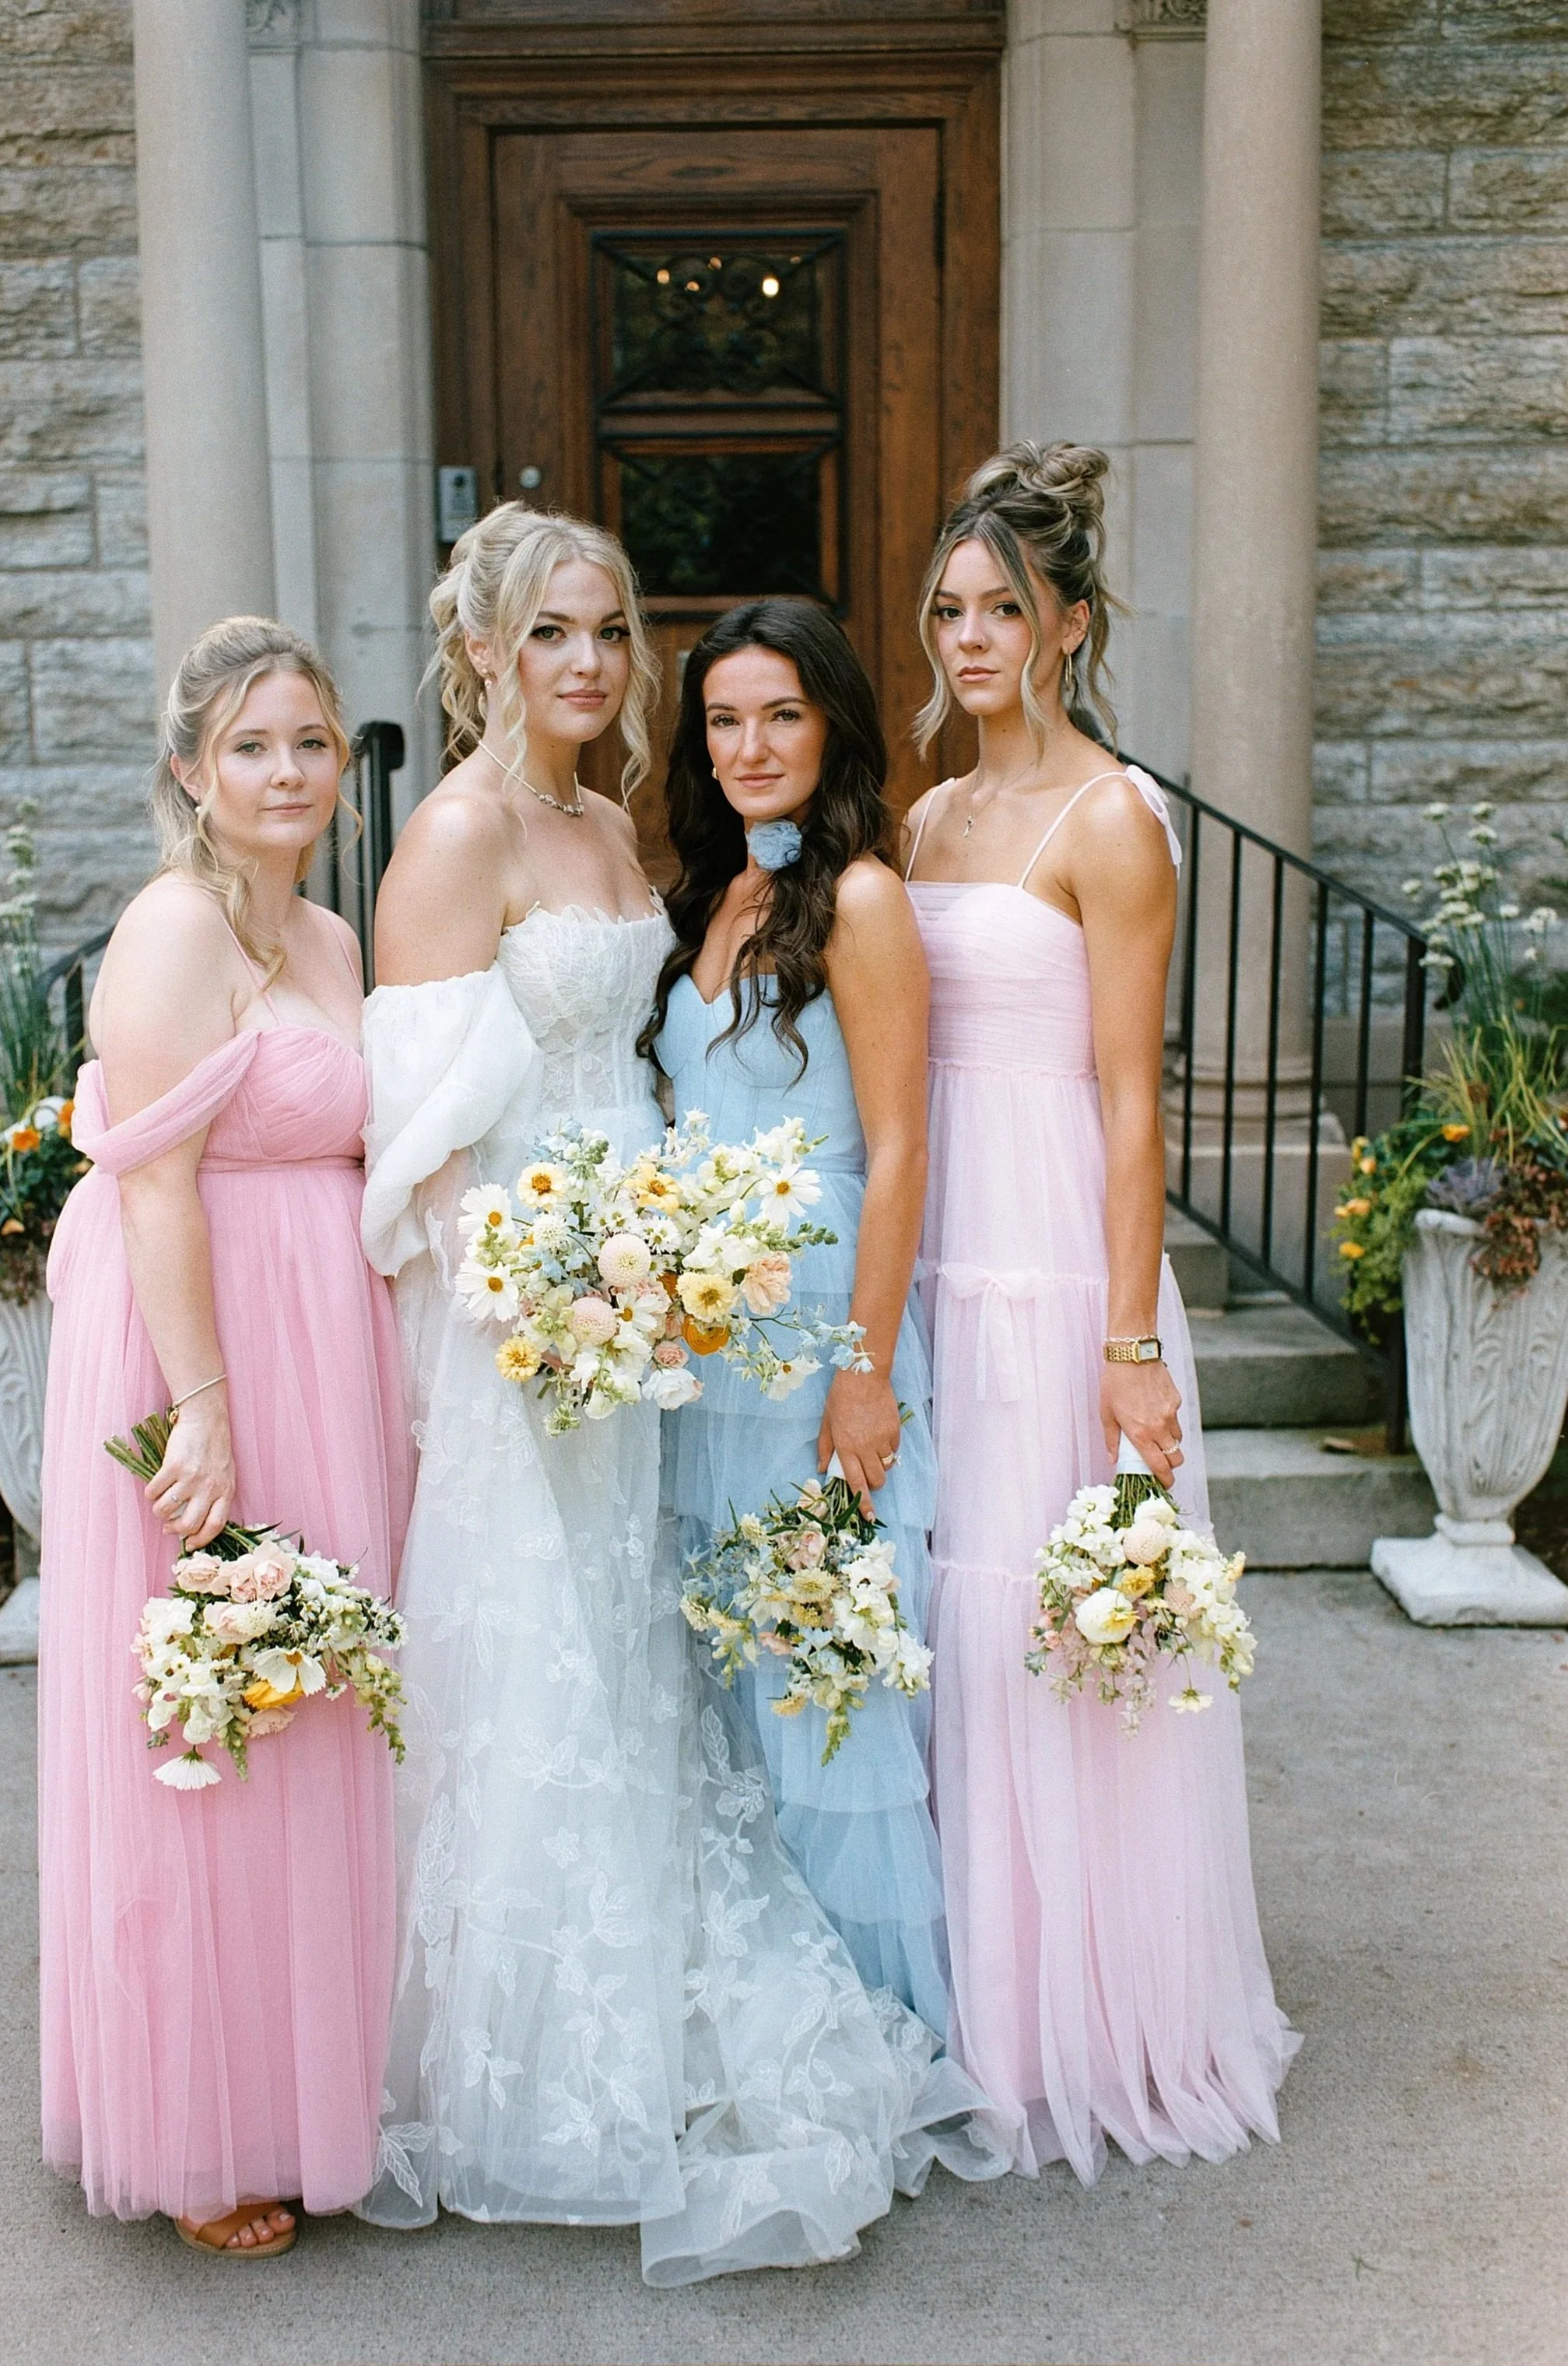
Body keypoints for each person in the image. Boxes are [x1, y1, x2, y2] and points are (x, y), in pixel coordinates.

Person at [356, 502, 1006, 2284]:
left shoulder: (623, 838)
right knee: (567, 1668)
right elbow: (412, 1143)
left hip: (698, 1326)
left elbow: (878, 1143)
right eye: (551, 631)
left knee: (682, 1672)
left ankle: (781, 2001)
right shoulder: (462, 838)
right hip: (559, 1330)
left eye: (604, 630)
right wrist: (548, 1294)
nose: (585, 663)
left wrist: (807, 1345)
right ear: (484, 646)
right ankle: (545, 2049)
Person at [903, 442, 1299, 2185]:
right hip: (937, 1247)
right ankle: (978, 1988)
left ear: (1065, 625)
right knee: (955, 1602)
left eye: (1000, 607)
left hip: (1059, 1246)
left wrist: (1128, 1340)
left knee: (1057, 1602)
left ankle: (1094, 2006)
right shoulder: (922, 814)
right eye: (945, 608)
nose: (967, 634)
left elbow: (1133, 1096)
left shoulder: (1112, 818)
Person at [37, 617, 411, 2255]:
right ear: (192, 767)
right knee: (211, 1712)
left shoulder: (328, 938)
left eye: (310, 742)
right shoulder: (171, 928)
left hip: (323, 1337)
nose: (286, 771)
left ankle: (317, 2079)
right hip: (193, 1337)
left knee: (318, 1699)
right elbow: (154, 1176)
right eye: (252, 744)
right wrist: (199, 1401)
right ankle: (199, 2123)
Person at [649, 598, 955, 2038]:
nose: (750, 744)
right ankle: (755, 2006)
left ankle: (870, 2019)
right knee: (720, 1661)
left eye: (780, 713)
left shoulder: (866, 900)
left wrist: (866, 1375)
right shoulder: (702, 898)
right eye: (723, 718)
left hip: (817, 1332)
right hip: (705, 1349)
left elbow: (898, 1146)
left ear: (829, 722)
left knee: (814, 1666)